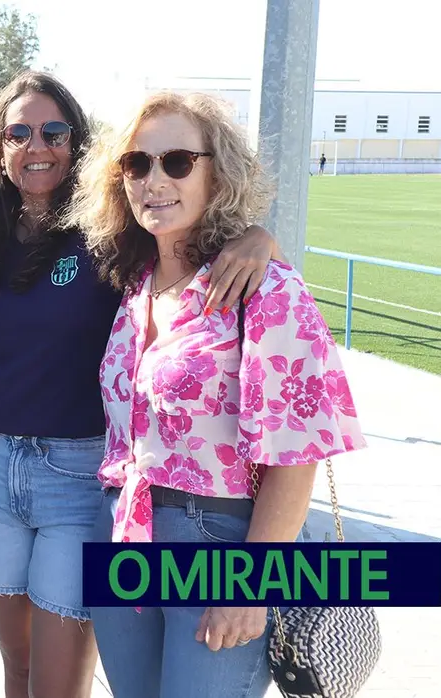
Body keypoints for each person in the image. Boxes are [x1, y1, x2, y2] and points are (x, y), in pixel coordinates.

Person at [0, 70, 281, 698]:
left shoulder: (111, 235)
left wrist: (258, 237)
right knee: (17, 670)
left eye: (55, 131)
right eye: (19, 132)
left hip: (78, 474)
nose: (37, 145)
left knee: (57, 681)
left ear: (77, 143)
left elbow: (191, 229)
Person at [65, 90, 367, 698]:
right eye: (136, 163)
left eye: (177, 161)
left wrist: (255, 587)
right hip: (122, 526)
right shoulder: (136, 285)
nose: (154, 179)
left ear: (217, 172)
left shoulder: (267, 289)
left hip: (220, 541)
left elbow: (297, 454)